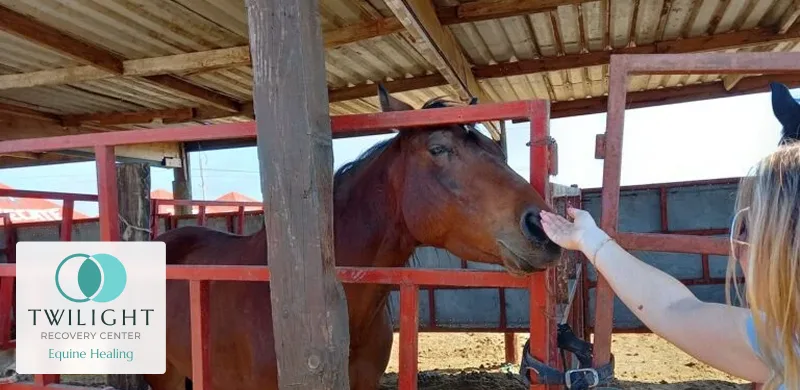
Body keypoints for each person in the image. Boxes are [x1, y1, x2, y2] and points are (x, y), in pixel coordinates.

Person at [539, 142, 800, 390]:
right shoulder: (785, 342)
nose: (737, 249)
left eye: (745, 229)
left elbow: (673, 310)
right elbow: (672, 308)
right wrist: (590, 239)